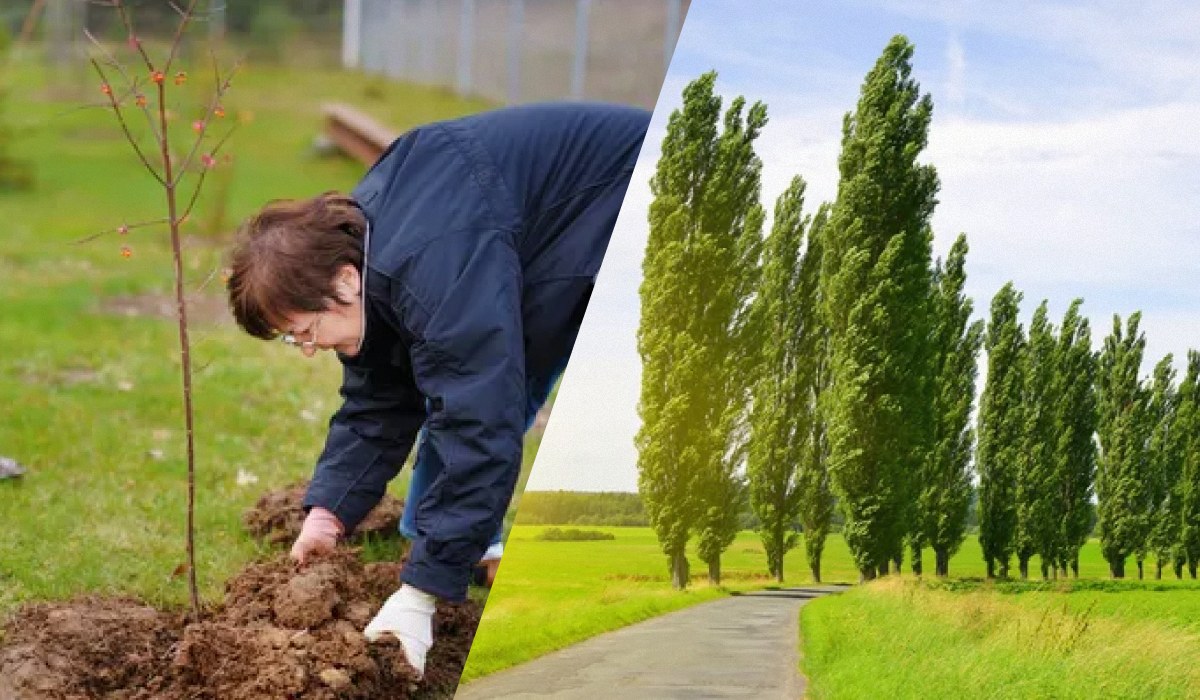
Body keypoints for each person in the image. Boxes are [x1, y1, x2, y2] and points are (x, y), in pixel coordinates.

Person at [226, 101, 650, 677]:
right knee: (479, 381)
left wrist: (421, 594)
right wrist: (329, 512)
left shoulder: (430, 263)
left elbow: (479, 414)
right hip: (554, 233)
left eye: (304, 331)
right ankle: (471, 545)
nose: (308, 348)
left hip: (649, 201)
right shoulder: (370, 255)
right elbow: (379, 398)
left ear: (343, 281)